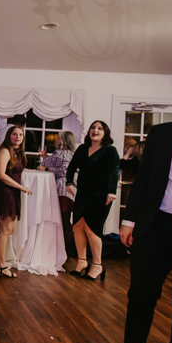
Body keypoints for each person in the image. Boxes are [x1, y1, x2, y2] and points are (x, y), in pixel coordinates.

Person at [93, 121, 172, 343]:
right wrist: (129, 221)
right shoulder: (163, 133)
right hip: (156, 224)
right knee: (140, 298)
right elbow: (143, 179)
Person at [65, 120, 120, 281]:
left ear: (105, 133)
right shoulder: (82, 148)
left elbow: (113, 171)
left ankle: (97, 265)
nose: (95, 130)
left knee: (92, 229)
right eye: (93, 128)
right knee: (77, 227)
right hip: (83, 193)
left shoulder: (110, 151)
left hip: (101, 194)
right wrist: (69, 182)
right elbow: (72, 166)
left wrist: (111, 190)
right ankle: (82, 262)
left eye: (100, 128)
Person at [0, 125, 33, 278]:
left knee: (9, 230)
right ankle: (1, 266)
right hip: (5, 193)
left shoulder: (17, 153)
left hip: (13, 194)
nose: (18, 137)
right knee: (5, 231)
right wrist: (21, 187)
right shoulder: (4, 152)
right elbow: (0, 175)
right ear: (9, 136)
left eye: (20, 134)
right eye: (14, 134)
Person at [38, 130, 77, 257]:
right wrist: (45, 156)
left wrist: (47, 169)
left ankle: (67, 250)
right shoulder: (68, 153)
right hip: (67, 191)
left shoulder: (62, 153)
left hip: (62, 190)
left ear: (62, 140)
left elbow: (64, 171)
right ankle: (66, 248)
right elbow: (53, 163)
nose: (55, 139)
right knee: (65, 220)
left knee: (64, 220)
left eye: (57, 137)